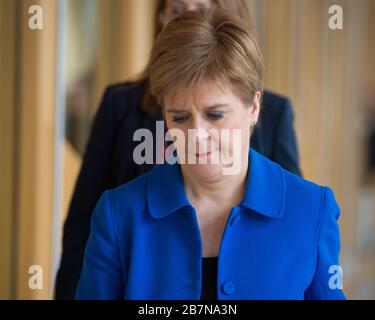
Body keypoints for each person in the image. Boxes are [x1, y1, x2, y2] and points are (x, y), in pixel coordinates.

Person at [76, 8, 345, 300]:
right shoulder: (118, 214)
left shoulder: (312, 209)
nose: (196, 136)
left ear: (253, 107)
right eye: (179, 118)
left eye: (215, 115)